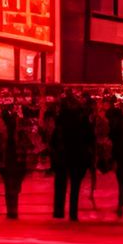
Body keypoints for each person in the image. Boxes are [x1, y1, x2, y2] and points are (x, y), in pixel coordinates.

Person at [50, 92, 94, 220]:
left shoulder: (61, 119)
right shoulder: (82, 119)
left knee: (60, 184)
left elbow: (54, 139)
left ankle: (59, 211)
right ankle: (73, 212)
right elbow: (90, 137)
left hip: (63, 155)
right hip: (78, 155)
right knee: (75, 185)